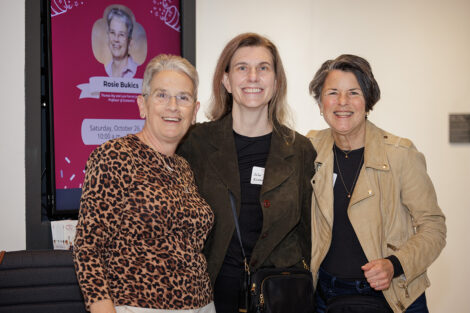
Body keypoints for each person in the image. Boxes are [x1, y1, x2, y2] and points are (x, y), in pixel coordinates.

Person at [178, 33, 316, 313]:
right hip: (211, 296)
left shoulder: (301, 149)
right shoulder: (196, 143)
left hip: (280, 297)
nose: (253, 76)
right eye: (242, 67)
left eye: (263, 68)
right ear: (226, 81)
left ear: (276, 83)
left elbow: (309, 233)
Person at [73, 54, 216, 313]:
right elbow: (88, 249)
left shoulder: (183, 167)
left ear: (194, 112)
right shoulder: (114, 155)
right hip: (138, 306)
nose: (173, 106)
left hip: (202, 305)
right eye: (162, 95)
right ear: (142, 105)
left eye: (183, 98)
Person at [307, 54, 446, 313]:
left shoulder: (400, 154)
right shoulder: (309, 149)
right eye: (333, 93)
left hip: (394, 296)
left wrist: (396, 263)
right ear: (320, 102)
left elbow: (434, 227)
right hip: (325, 296)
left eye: (354, 93)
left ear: (368, 101)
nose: (342, 102)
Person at [105, 7, 138, 78]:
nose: (116, 39)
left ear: (129, 41)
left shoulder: (138, 71)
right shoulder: (105, 70)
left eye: (121, 34)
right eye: (112, 33)